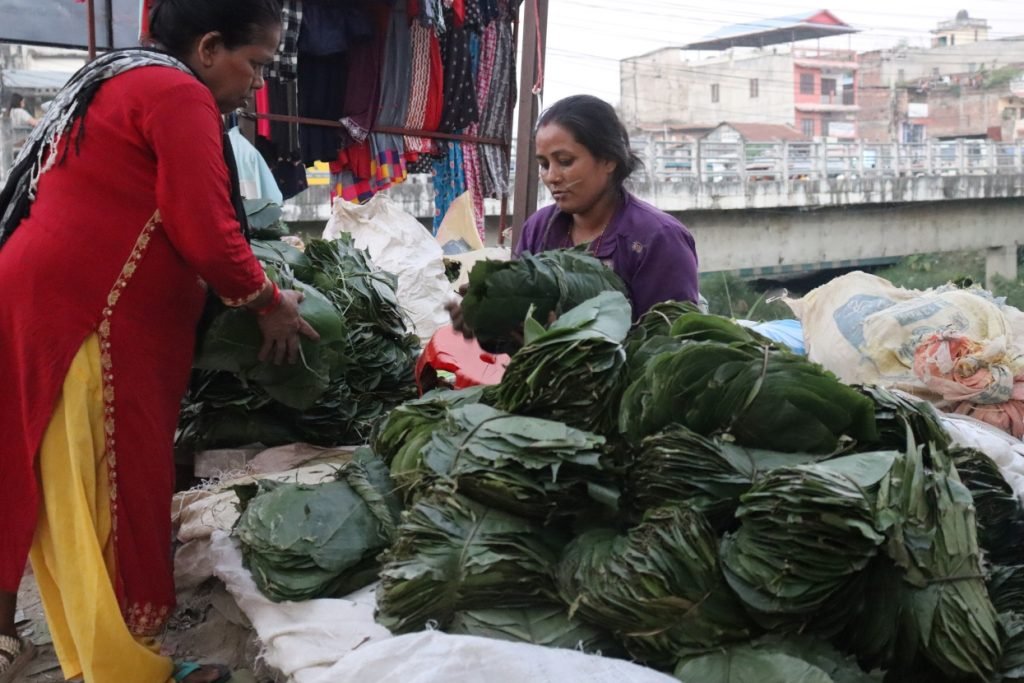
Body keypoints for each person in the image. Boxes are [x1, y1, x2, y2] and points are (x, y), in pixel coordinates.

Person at [0, 0, 318, 681]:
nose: (259, 82)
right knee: (101, 487)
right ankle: (123, 667)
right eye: (255, 63)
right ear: (209, 48)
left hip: (48, 298)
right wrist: (268, 301)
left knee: (56, 477)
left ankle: (63, 646)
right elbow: (204, 228)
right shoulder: (176, 92)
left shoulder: (118, 74)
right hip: (87, 310)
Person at [448, 94, 699, 337]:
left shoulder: (657, 239)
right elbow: (523, 339)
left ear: (609, 160)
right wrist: (489, 318)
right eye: (544, 164)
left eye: (565, 161)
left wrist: (571, 339)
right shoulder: (538, 228)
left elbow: (669, 344)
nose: (551, 177)